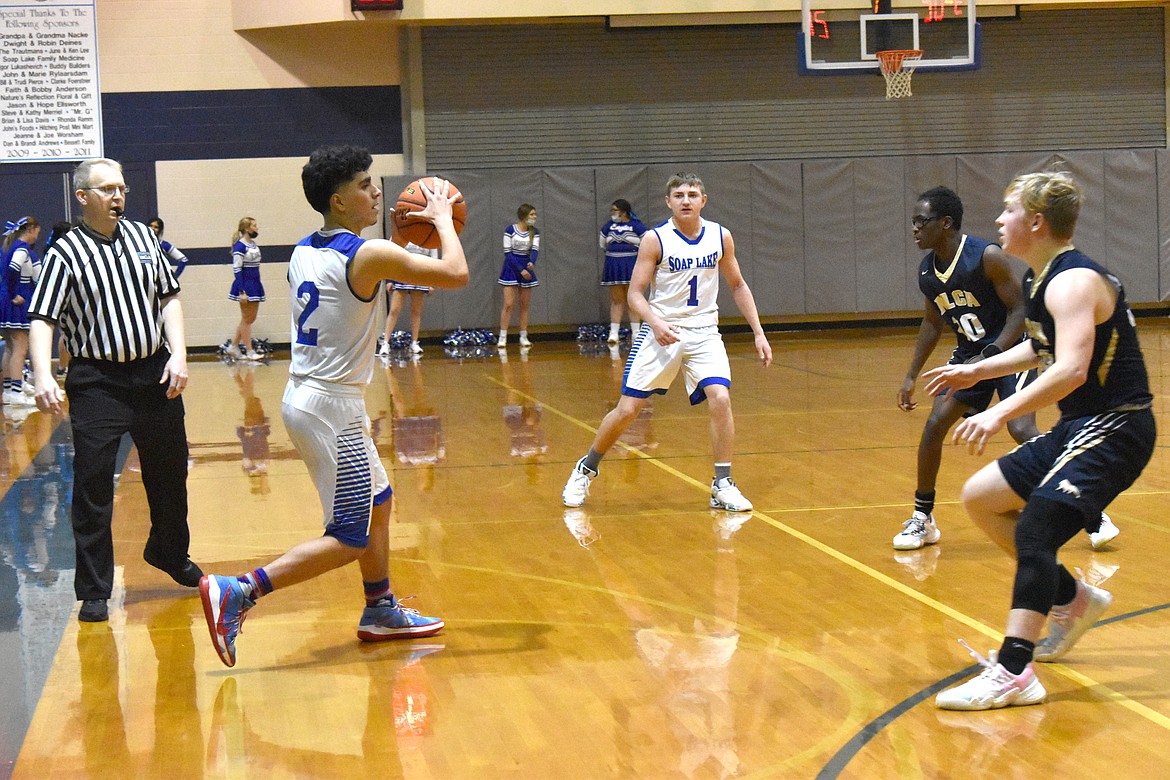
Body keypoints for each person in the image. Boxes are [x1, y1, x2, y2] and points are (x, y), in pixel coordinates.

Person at [197, 145, 468, 669]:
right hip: (330, 408)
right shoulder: (367, 256)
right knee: (350, 535)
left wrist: (393, 237)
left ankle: (379, 609)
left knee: (381, 502)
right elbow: (455, 273)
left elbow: (355, 277)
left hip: (313, 396)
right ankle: (240, 590)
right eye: (366, 185)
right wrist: (440, 220)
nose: (377, 191)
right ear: (339, 201)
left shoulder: (304, 249)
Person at [925, 171, 1155, 710]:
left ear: (1035, 221)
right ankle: (1072, 599)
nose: (999, 221)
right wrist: (976, 372)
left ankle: (1013, 672)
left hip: (1116, 427)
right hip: (1081, 426)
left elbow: (1072, 369)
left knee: (1034, 530)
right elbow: (1040, 349)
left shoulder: (1074, 281)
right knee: (982, 497)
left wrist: (1000, 410)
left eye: (1008, 211)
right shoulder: (1041, 278)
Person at [895, 186, 1119, 552]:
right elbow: (933, 323)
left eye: (921, 221)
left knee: (1021, 428)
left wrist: (991, 353)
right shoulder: (927, 271)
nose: (915, 229)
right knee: (936, 423)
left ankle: (1088, 508)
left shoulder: (986, 256)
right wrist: (910, 375)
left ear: (946, 222)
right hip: (971, 358)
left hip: (1009, 350)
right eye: (914, 222)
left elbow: (1019, 311)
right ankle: (923, 519)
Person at [27, 157, 202, 623]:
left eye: (121, 188)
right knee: (93, 485)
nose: (118, 196)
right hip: (97, 381)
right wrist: (43, 375)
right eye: (106, 189)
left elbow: (168, 298)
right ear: (83, 197)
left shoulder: (146, 238)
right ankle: (95, 589)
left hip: (153, 374)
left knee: (169, 474)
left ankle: (168, 551)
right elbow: (43, 317)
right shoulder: (65, 253)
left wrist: (179, 354)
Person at [562, 173, 772, 512]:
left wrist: (759, 332)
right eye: (679, 195)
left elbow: (737, 286)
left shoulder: (721, 236)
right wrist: (656, 322)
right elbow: (634, 295)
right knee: (628, 410)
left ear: (704, 200)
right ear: (668, 202)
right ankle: (585, 468)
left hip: (704, 331)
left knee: (720, 398)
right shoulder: (654, 239)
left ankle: (722, 483)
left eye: (692, 194)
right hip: (663, 331)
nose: (685, 200)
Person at [1, 217, 41, 407]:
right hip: (17, 301)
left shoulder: (9, 246)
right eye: (37, 231)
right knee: (20, 348)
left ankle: (9, 390)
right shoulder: (22, 248)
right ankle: (16, 391)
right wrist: (14, 293)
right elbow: (12, 270)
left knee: (10, 346)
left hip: (6, 300)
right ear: (31, 229)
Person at [600, 199, 648, 344]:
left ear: (624, 211)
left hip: (632, 266)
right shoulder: (608, 227)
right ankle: (614, 333)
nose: (613, 213)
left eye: (615, 210)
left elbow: (648, 245)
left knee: (633, 299)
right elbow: (603, 245)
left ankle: (636, 333)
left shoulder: (637, 226)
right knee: (616, 300)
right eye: (612, 211)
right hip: (613, 265)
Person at [380, 242, 435, 357]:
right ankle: (385, 343)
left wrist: (431, 281)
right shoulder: (401, 230)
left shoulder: (430, 234)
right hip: (402, 272)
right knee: (394, 310)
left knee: (416, 311)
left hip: (421, 273)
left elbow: (434, 260)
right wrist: (390, 279)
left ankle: (414, 342)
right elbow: (391, 256)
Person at [497, 203, 539, 349]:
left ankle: (523, 336)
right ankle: (502, 337)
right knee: (508, 304)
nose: (535, 217)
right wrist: (521, 270)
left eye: (535, 214)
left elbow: (534, 250)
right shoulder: (510, 230)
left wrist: (531, 263)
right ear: (524, 216)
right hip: (511, 267)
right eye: (532, 214)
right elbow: (508, 253)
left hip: (527, 268)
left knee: (524, 305)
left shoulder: (535, 232)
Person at [227, 216, 264, 361]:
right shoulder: (240, 246)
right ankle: (249, 351)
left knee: (250, 318)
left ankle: (234, 346)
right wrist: (242, 291)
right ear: (247, 229)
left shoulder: (253, 244)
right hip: (245, 285)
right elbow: (237, 269)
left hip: (255, 283)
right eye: (254, 226)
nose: (257, 228)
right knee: (247, 319)